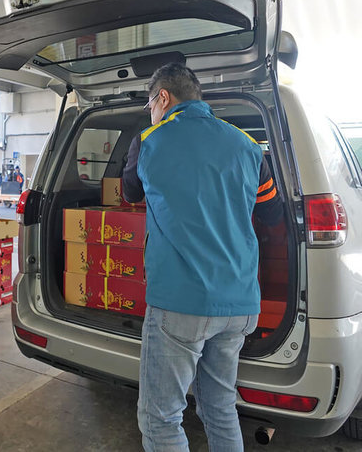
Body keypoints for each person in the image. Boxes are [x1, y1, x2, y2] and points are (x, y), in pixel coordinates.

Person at [121, 63, 283, 451]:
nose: (150, 112)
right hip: (240, 305)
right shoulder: (246, 144)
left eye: (150, 103)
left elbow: (129, 194)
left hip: (181, 304)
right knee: (220, 407)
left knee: (160, 418)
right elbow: (273, 212)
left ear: (163, 97)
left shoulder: (148, 140)